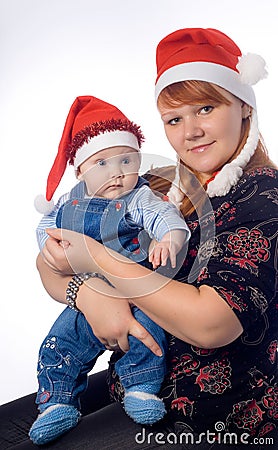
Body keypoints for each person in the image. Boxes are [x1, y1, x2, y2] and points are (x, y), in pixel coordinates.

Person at [0, 27, 277, 450]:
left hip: (212, 412)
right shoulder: (152, 185)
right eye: (174, 118)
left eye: (206, 107)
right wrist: (89, 295)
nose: (191, 132)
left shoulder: (264, 199)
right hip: (131, 377)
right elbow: (51, 260)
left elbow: (210, 325)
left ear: (243, 105)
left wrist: (100, 259)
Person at [29, 95, 190, 445]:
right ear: (80, 170)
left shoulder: (138, 197)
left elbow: (166, 218)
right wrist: (49, 247)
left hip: (133, 288)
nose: (117, 172)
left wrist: (169, 240)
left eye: (127, 160)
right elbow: (45, 228)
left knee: (147, 333)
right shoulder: (69, 201)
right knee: (60, 341)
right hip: (89, 294)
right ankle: (56, 401)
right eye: (102, 162)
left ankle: (141, 387)